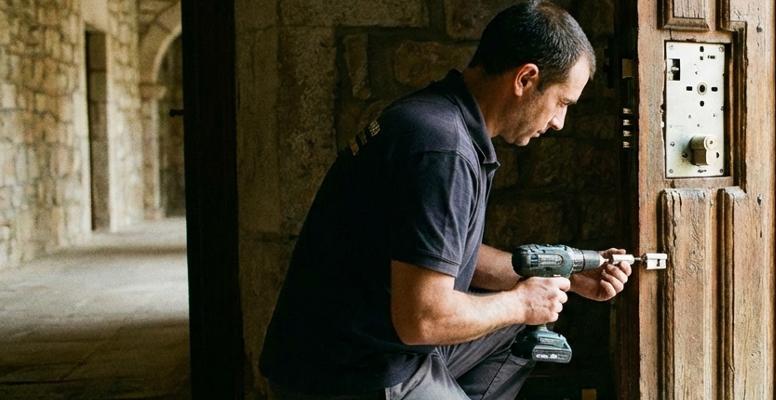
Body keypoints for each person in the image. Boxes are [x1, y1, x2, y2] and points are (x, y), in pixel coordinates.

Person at [258, 2, 633, 399]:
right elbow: (423, 319)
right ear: (526, 78)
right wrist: (521, 303)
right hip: (351, 373)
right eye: (562, 103)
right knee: (520, 316)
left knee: (521, 329)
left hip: (352, 348)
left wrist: (570, 275)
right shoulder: (444, 149)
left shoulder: (439, 117)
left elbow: (440, 254)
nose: (559, 122)